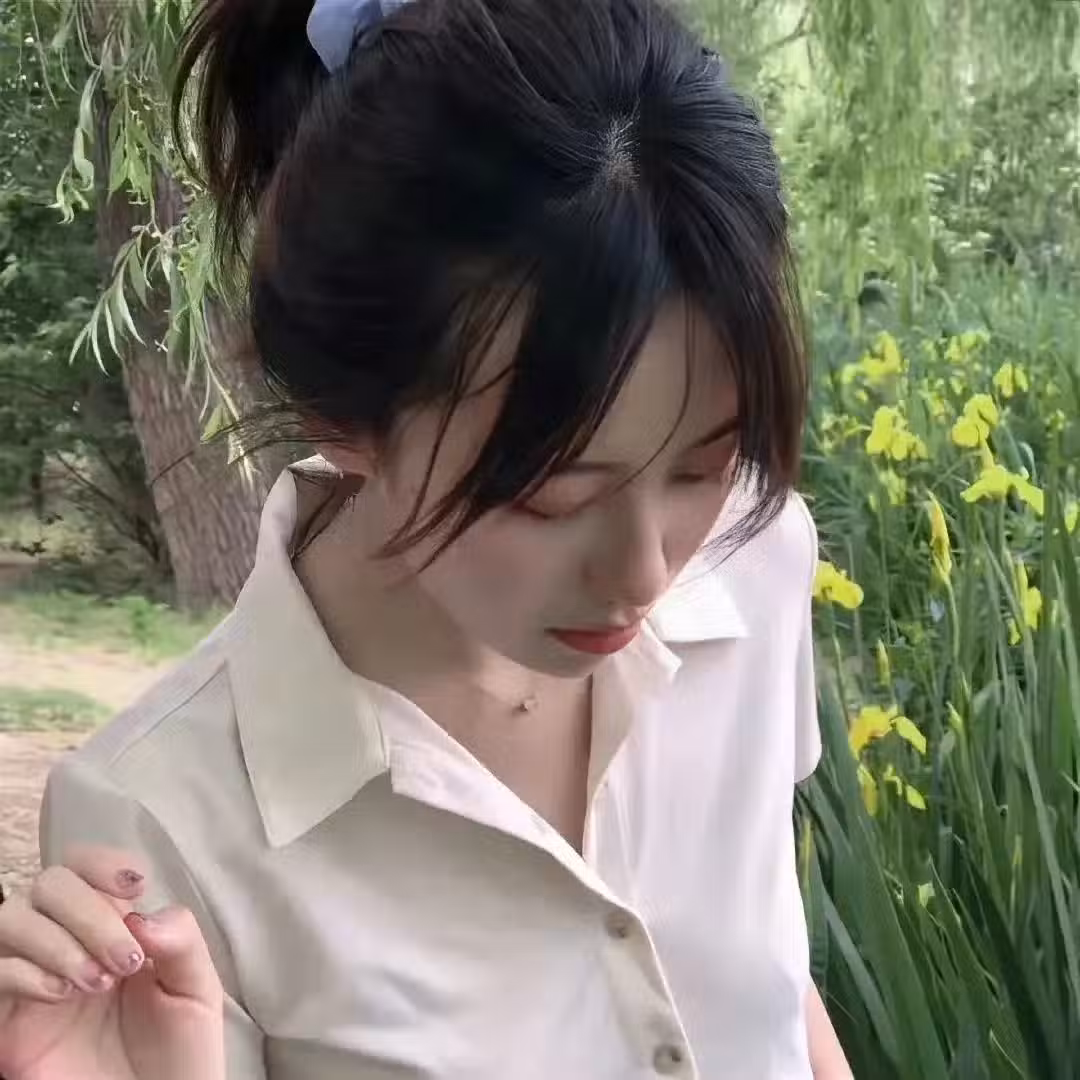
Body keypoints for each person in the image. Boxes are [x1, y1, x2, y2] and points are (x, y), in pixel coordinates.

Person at [0, 0, 855, 1076]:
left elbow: (765, 980)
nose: (646, 571)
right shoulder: (164, 815)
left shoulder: (755, 565)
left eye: (702, 466)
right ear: (344, 418)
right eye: (552, 494)